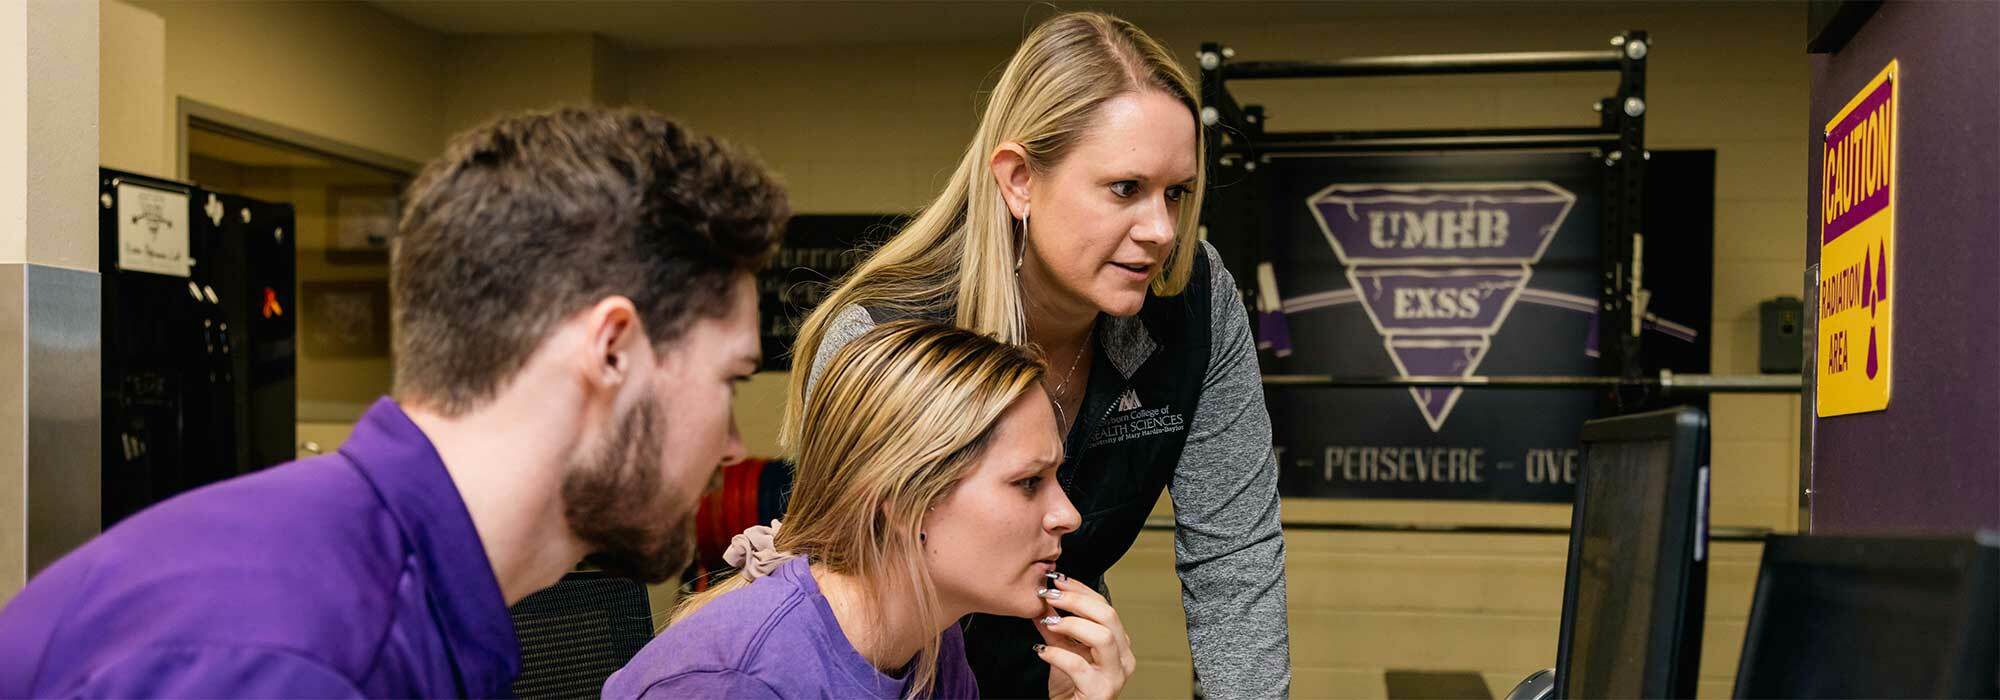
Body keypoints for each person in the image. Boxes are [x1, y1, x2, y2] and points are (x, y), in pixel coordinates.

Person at [0, 107, 790, 697]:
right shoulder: (299, 652)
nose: (730, 445)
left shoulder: (419, 597)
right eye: (730, 381)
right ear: (610, 350)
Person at [782, 11, 1290, 698]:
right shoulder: (882, 334)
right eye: (1125, 189)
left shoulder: (1196, 304)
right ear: (1020, 179)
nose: (1161, 230)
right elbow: (840, 611)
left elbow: (1236, 558)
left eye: (1176, 193)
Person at [607, 320, 1135, 699]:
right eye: (1028, 482)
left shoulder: (929, 641)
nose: (1068, 515)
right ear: (903, 501)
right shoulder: (739, 682)